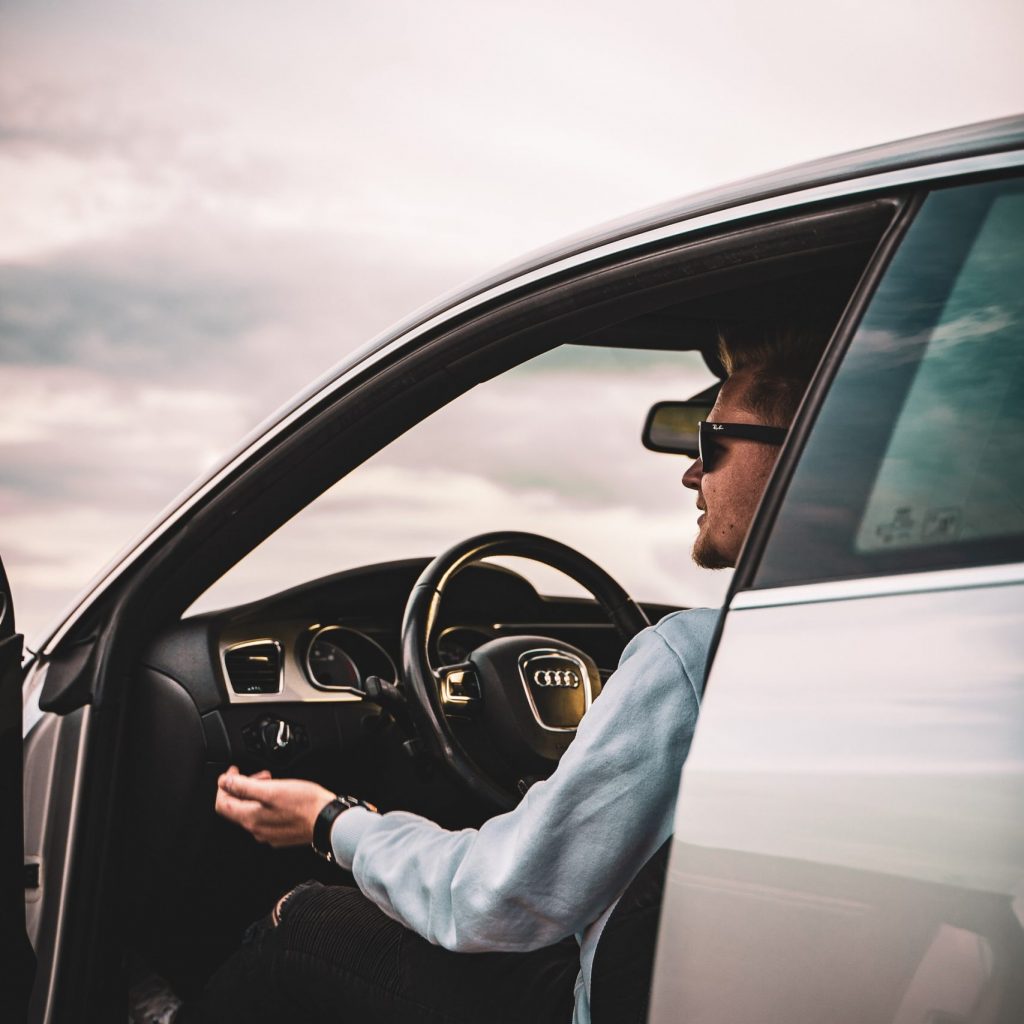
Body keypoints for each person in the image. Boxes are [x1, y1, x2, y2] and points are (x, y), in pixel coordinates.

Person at [186, 324, 826, 1024]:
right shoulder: (868, 657)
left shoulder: (691, 662)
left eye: (711, 444)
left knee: (300, 922)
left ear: (795, 459)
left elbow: (493, 899)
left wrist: (331, 822)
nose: (689, 473)